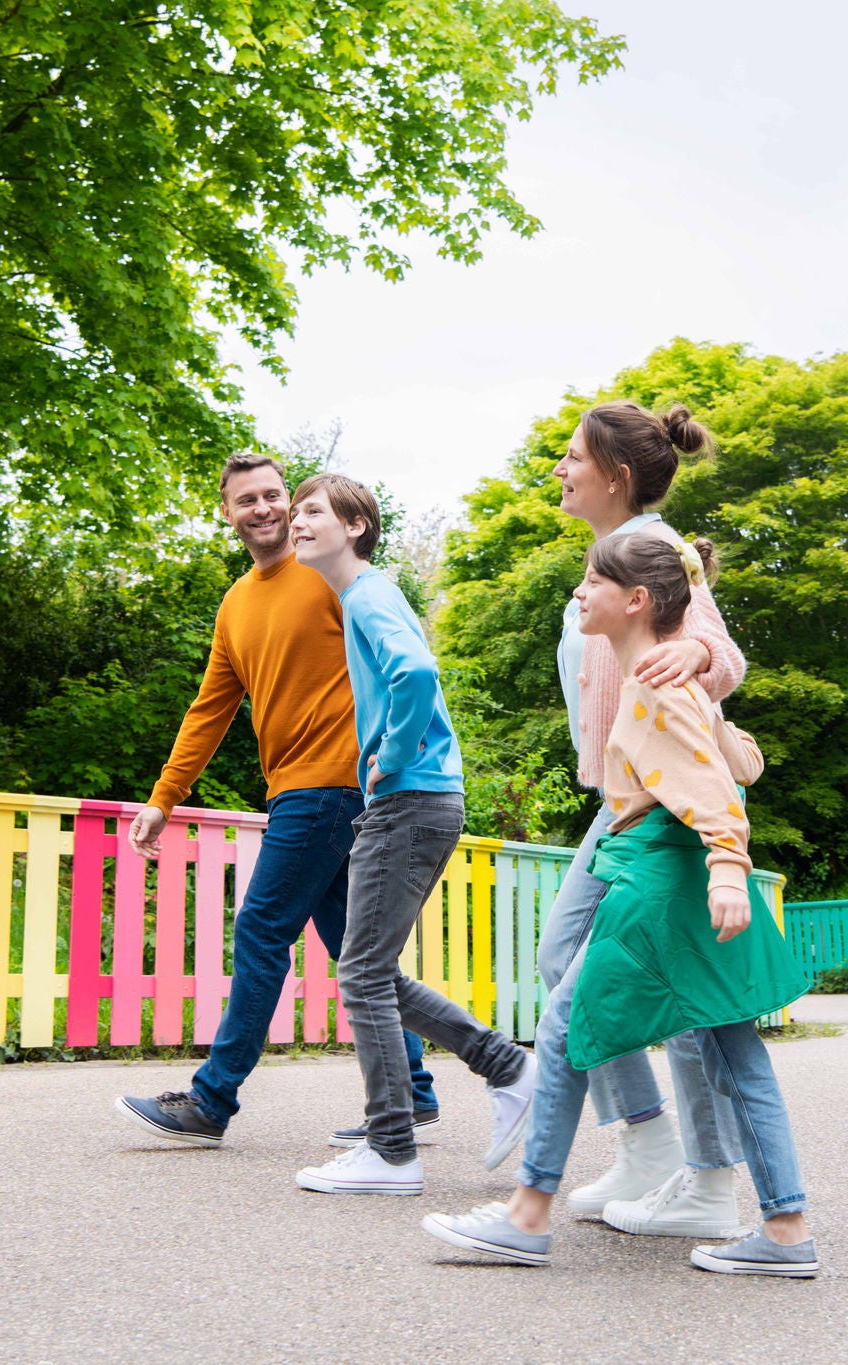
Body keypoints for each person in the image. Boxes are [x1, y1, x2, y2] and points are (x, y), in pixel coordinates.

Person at [422, 532, 817, 1274]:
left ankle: (527, 1215)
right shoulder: (669, 679)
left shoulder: (653, 684)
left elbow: (710, 791)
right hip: (678, 877)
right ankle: (787, 1229)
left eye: (591, 581)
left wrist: (729, 865)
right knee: (735, 1053)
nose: (578, 592)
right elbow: (736, 763)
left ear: (635, 601)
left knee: (569, 1026)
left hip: (658, 886)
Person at [114, 453, 439, 1150]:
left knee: (261, 928)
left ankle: (211, 1099)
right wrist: (163, 798)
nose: (263, 509)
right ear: (228, 513)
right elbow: (210, 708)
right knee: (355, 948)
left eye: (273, 496)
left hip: (330, 787)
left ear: (291, 506)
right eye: (246, 500)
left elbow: (403, 656)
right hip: (298, 788)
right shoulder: (236, 604)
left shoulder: (326, 571)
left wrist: (400, 752)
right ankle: (413, 1090)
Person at [286, 474, 537, 1197]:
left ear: (356, 525)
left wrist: (390, 754)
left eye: (312, 511)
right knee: (374, 970)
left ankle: (392, 1149)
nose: (298, 522)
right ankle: (505, 1064)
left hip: (410, 797)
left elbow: (419, 672)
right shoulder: (362, 595)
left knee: (362, 973)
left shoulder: (367, 594)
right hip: (418, 799)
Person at [541, 400, 751, 1238]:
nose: (559, 470)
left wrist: (696, 651)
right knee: (564, 956)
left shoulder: (659, 550)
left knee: (680, 984)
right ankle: (652, 1143)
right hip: (622, 801)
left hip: (669, 798)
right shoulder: (613, 555)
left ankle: (705, 1177)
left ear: (616, 476)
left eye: (571, 457)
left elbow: (724, 657)